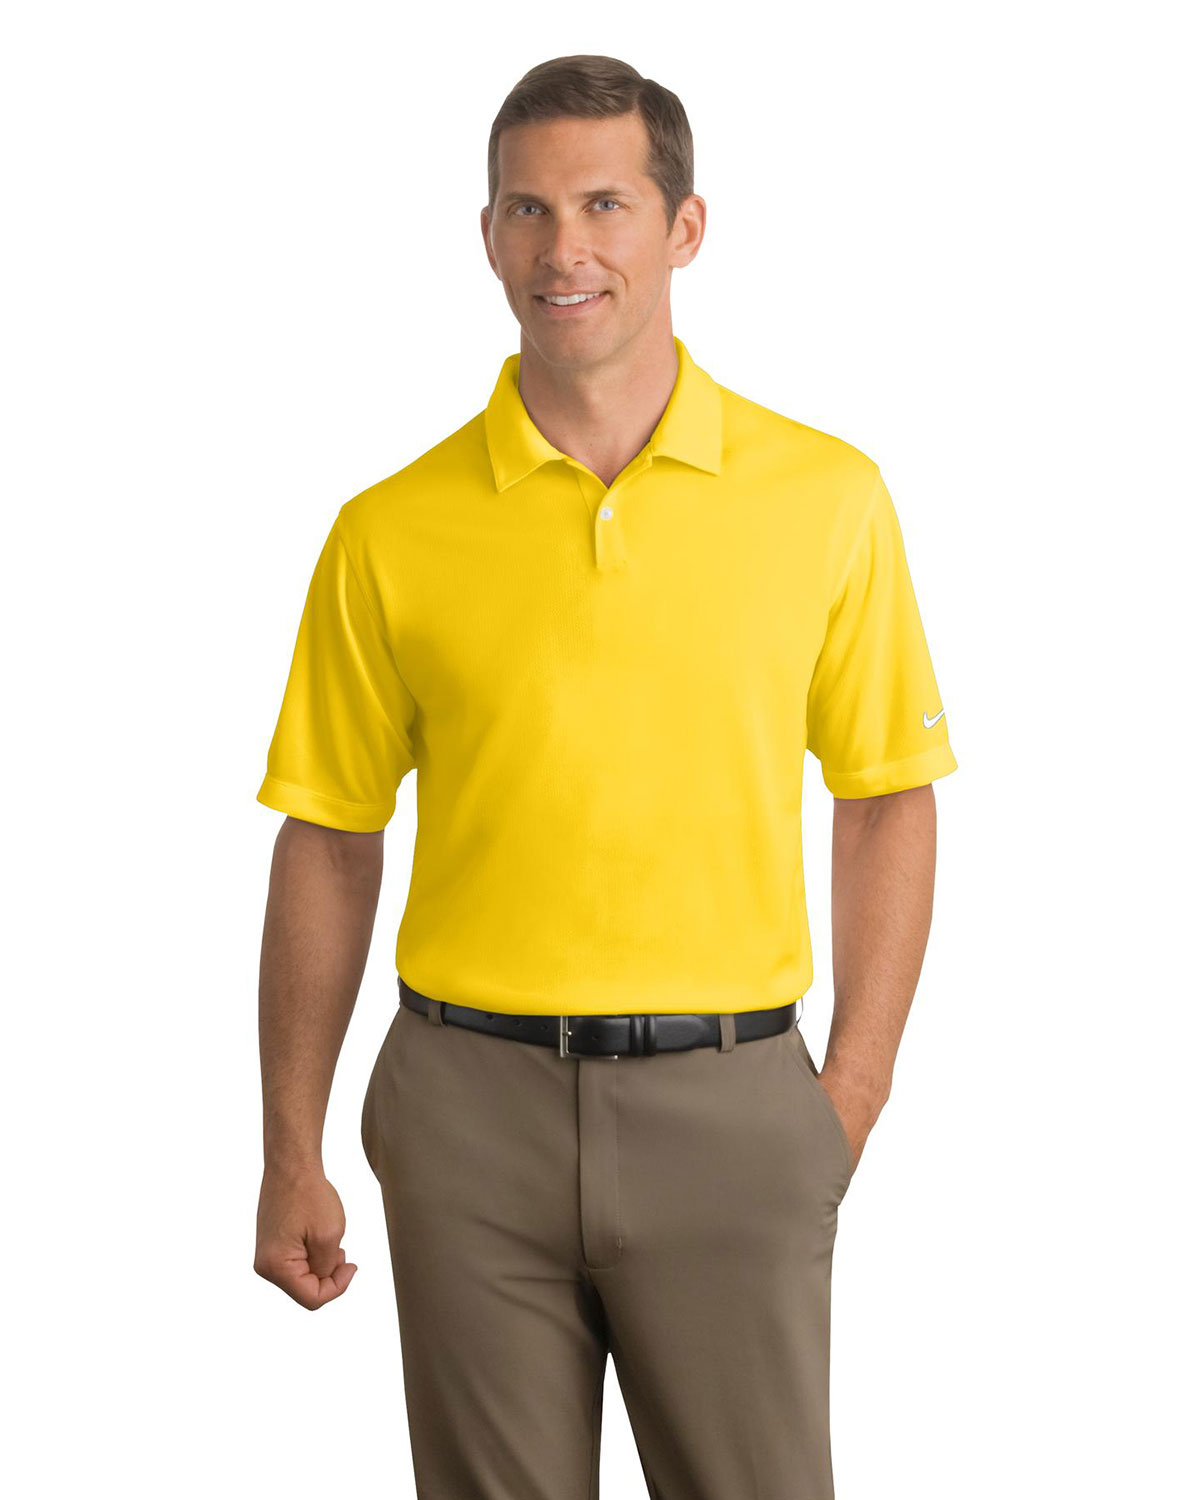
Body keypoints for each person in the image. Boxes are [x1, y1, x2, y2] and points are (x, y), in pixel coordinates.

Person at [253, 52, 956, 1500]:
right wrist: (288, 1145)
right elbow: (327, 837)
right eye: (527, 209)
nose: (562, 248)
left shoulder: (827, 498)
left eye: (604, 205)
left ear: (684, 227)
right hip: (464, 1114)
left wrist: (850, 1094)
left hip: (735, 1108)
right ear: (487, 235)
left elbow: (887, 794)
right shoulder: (388, 529)